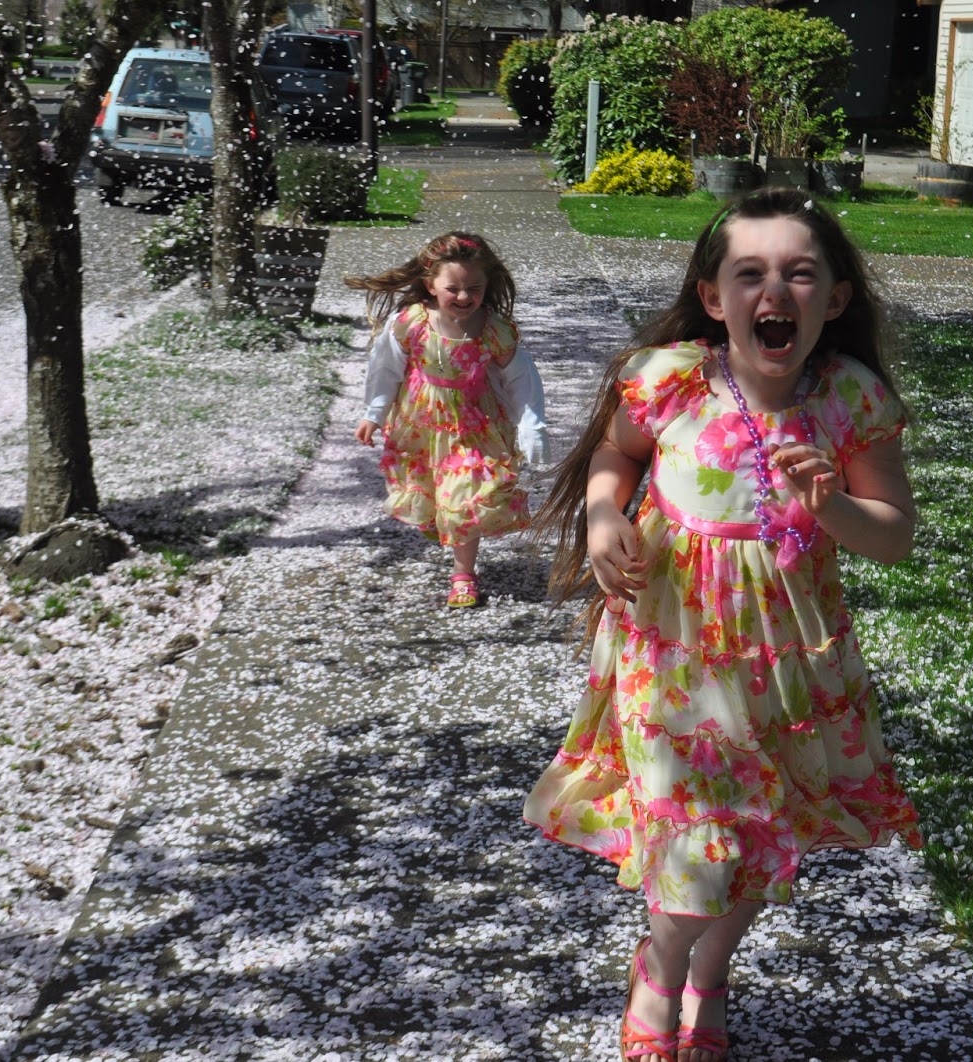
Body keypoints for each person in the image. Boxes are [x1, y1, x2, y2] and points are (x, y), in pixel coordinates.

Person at [524, 187, 923, 1062]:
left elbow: (893, 537)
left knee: (758, 836)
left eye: (799, 274)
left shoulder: (850, 400)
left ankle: (709, 975)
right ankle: (662, 972)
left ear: (835, 300)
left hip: (788, 662)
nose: (773, 291)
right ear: (714, 297)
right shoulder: (670, 381)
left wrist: (830, 506)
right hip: (675, 653)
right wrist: (603, 513)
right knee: (694, 840)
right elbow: (617, 452)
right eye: (749, 274)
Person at [348, 231, 547, 608]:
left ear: (487, 285)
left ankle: (463, 576)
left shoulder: (494, 330)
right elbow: (385, 370)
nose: (464, 297)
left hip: (473, 428)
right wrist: (373, 413)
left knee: (465, 500)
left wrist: (531, 426)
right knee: (426, 491)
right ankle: (434, 520)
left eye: (474, 288)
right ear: (430, 285)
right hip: (420, 426)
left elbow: (521, 379)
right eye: (452, 288)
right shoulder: (411, 323)